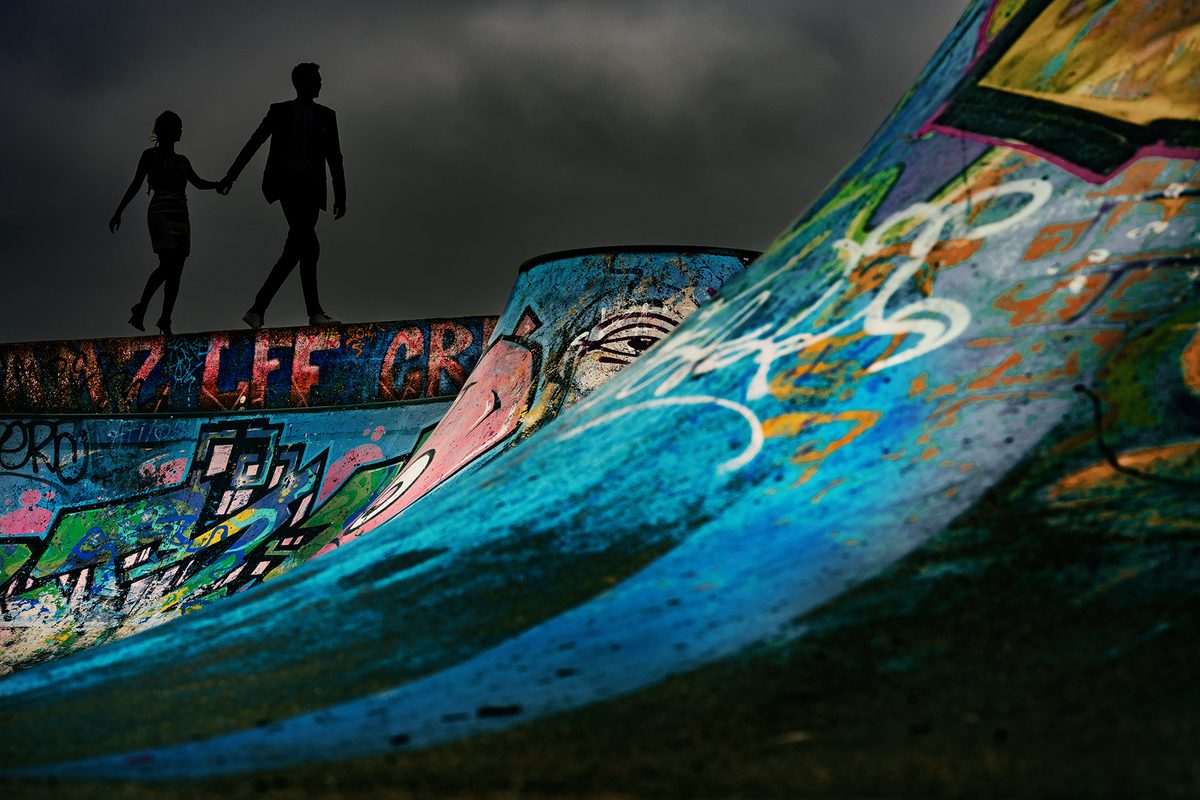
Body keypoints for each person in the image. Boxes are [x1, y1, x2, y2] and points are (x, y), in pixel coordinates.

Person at [218, 62, 345, 329]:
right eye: (316, 79)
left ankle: (259, 308)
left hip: (312, 189)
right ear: (302, 83)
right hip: (288, 185)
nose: (320, 83)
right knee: (307, 245)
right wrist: (231, 175)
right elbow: (254, 142)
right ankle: (311, 312)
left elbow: (335, 157)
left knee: (301, 248)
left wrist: (340, 194)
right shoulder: (280, 111)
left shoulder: (326, 115)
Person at [110, 110, 220, 335]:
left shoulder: (183, 161)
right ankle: (142, 307)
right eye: (177, 127)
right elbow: (136, 184)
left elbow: (198, 182)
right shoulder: (149, 156)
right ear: (166, 130)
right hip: (160, 210)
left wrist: (218, 184)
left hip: (181, 212)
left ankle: (164, 318)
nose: (180, 131)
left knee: (176, 270)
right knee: (168, 264)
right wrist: (119, 211)